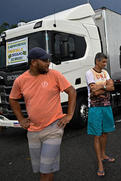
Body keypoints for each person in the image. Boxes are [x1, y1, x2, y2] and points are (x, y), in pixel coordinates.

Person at [9, 47, 77, 181]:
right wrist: (21, 119)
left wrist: (69, 115)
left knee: (45, 170)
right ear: (33, 62)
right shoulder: (20, 80)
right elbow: (12, 99)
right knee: (43, 169)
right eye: (45, 60)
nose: (48, 63)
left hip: (53, 128)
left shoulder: (54, 75)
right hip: (33, 131)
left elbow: (72, 92)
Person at [85, 52, 115, 177]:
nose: (105, 64)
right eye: (103, 62)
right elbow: (93, 90)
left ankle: (103, 155)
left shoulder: (105, 72)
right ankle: (100, 164)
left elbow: (112, 87)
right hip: (95, 107)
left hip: (106, 106)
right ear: (97, 61)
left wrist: (100, 87)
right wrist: (105, 85)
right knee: (97, 135)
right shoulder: (89, 73)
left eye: (105, 62)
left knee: (105, 132)